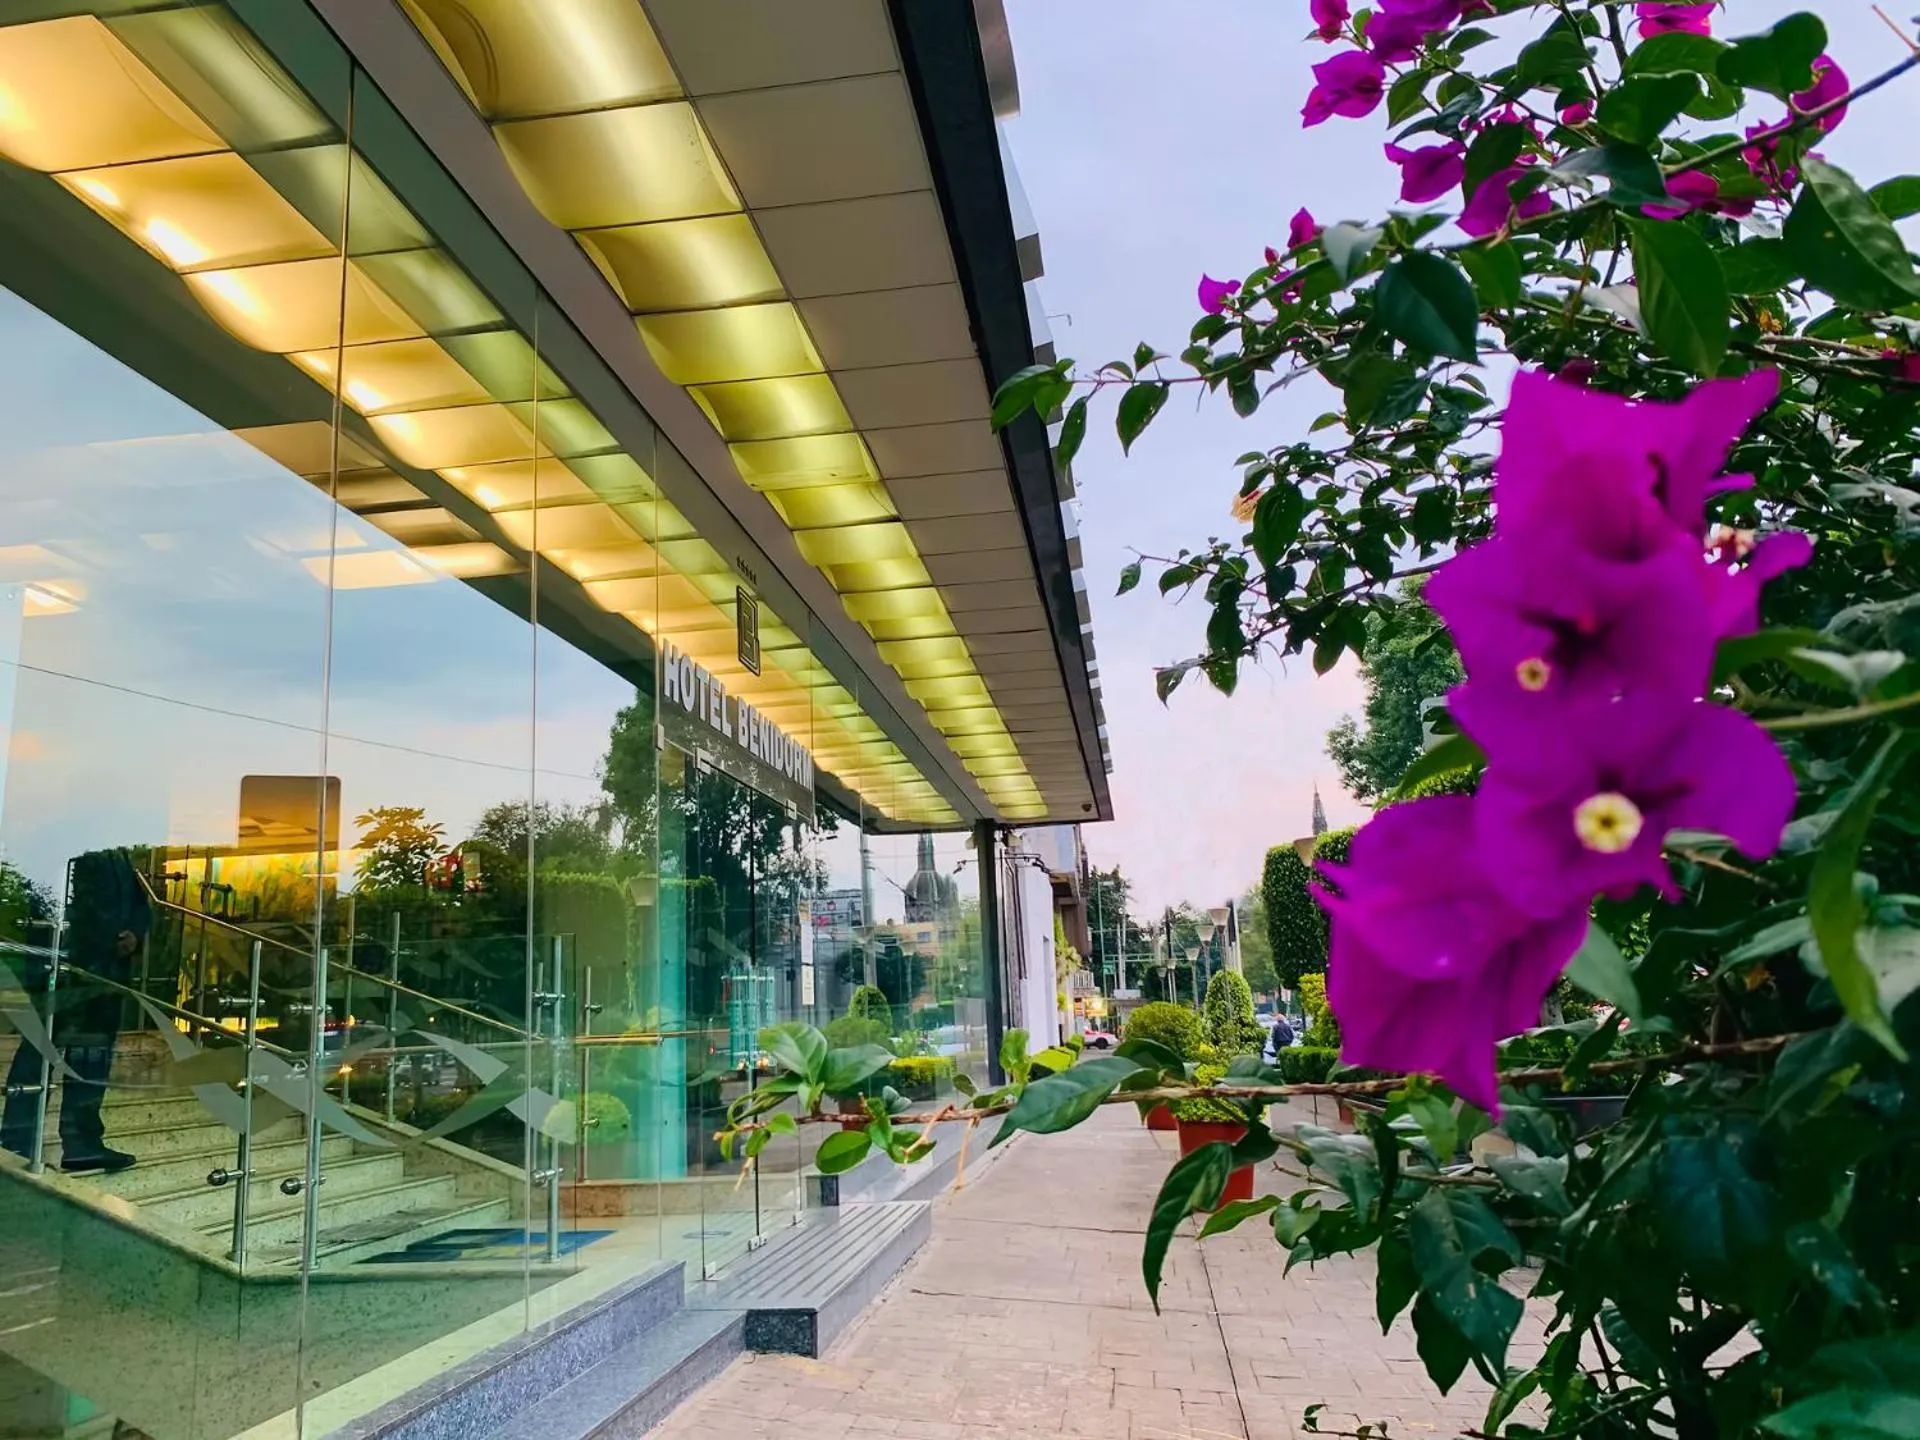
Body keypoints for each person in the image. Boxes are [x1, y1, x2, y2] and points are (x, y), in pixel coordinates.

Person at [1, 849, 149, 1172]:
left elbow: (140, 903)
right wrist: (105, 939)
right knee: (40, 1051)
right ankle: (15, 1142)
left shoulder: (120, 852)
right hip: (66, 967)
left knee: (92, 1057)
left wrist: (134, 936)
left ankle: (83, 1145)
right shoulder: (65, 842)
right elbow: (53, 899)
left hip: (106, 973)